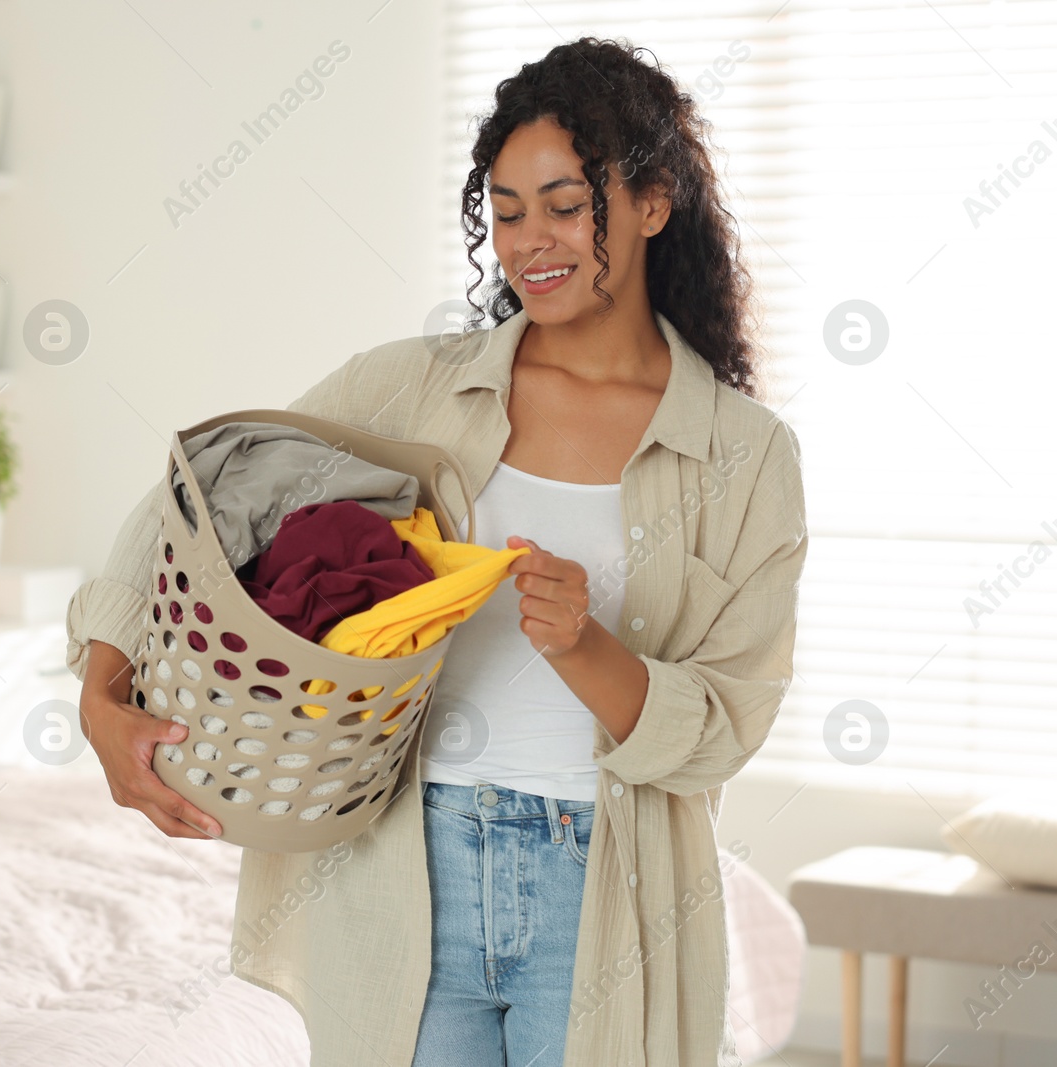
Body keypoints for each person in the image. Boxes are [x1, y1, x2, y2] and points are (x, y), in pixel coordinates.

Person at [67, 35, 808, 1067]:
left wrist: (586, 646)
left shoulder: (744, 452)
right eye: (503, 211)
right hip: (402, 868)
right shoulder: (410, 387)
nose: (527, 240)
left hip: (600, 884)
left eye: (561, 203)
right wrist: (102, 687)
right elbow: (192, 498)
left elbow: (731, 720)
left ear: (650, 202)